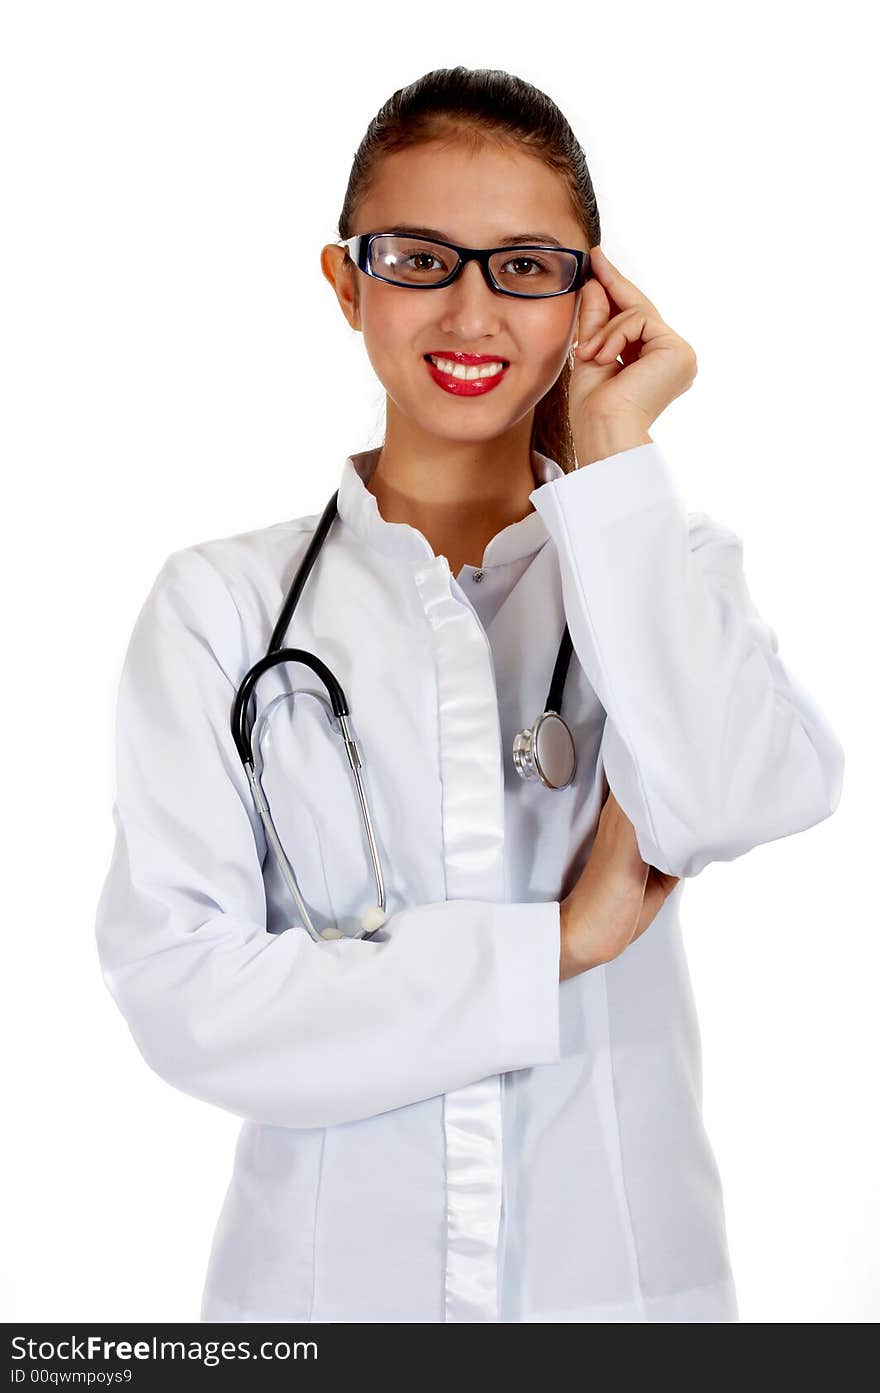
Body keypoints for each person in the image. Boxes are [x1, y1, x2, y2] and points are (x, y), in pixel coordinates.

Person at [94, 66, 845, 1324]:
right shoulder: (221, 607)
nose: (471, 313)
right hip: (320, 1304)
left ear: (589, 292)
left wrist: (612, 458)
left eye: (526, 267)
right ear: (347, 282)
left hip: (620, 1294)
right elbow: (188, 999)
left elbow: (724, 799)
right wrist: (556, 944)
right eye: (419, 259)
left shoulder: (658, 555)